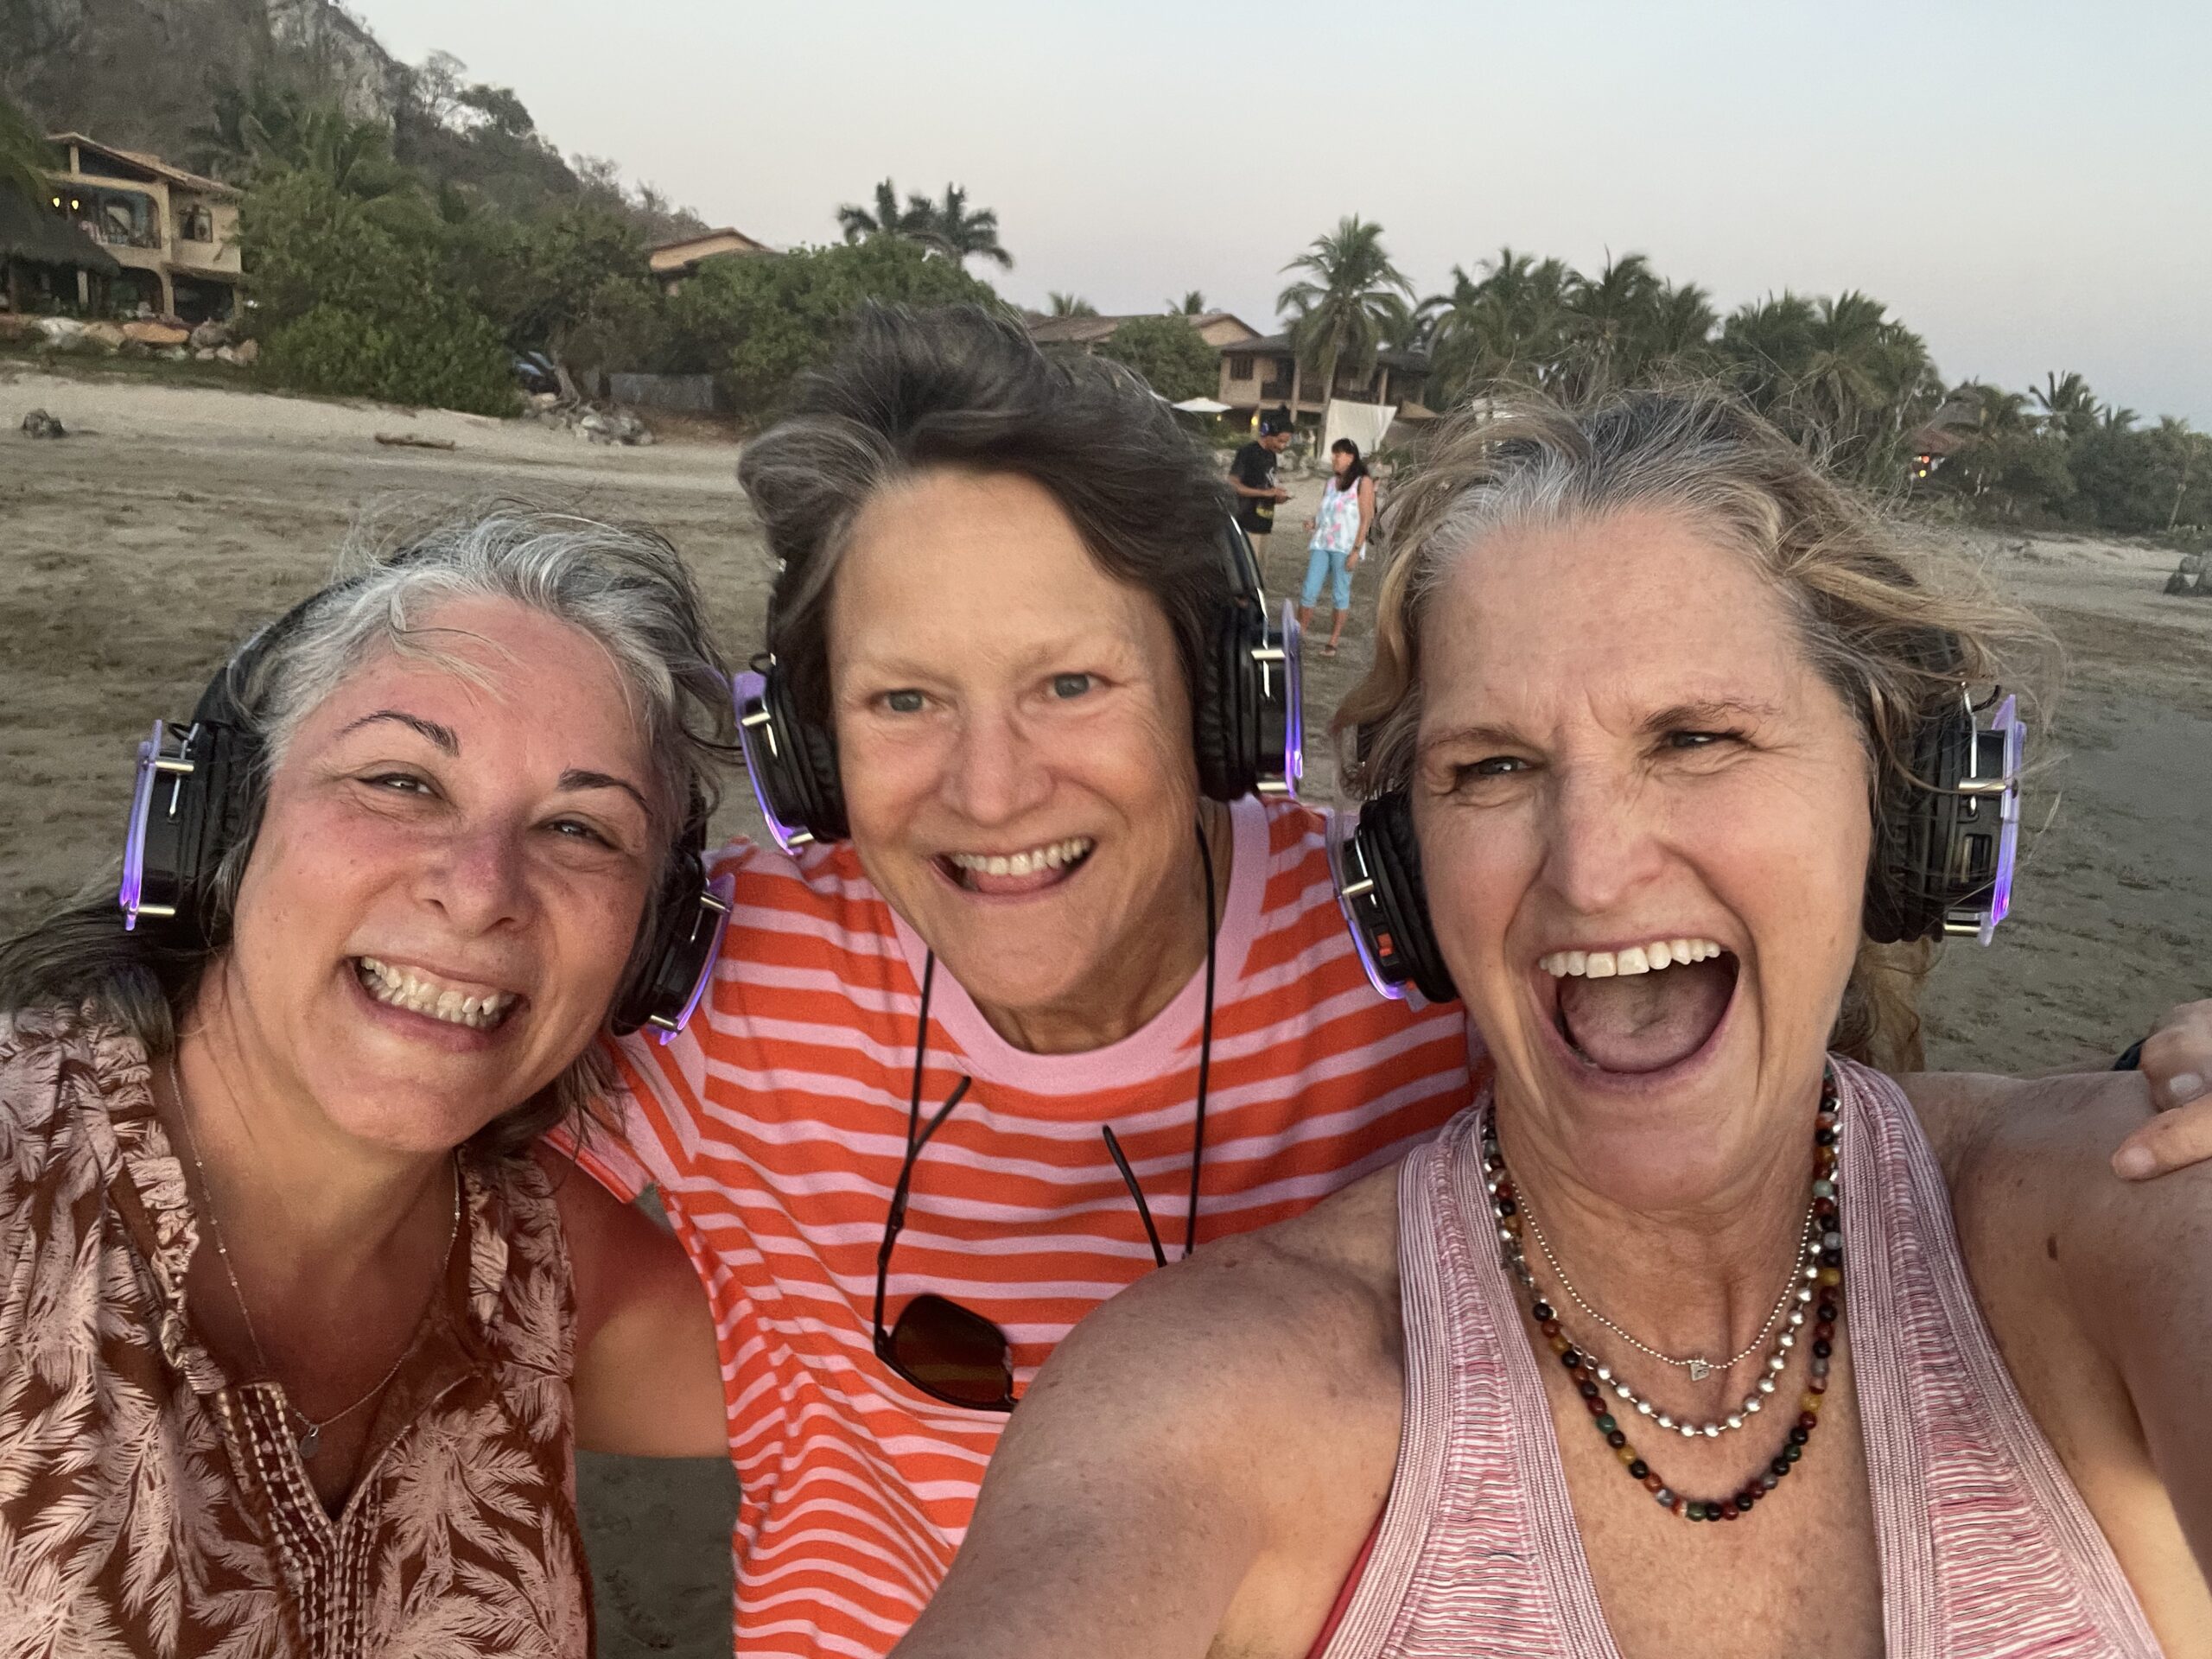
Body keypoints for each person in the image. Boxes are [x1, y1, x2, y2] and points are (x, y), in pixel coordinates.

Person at [552, 309, 2212, 1659]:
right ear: (807, 750)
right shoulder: (726, 977)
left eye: (1070, 681)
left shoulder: (2106, 1206)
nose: (1591, 867)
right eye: (904, 700)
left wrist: (2157, 1079)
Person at [0, 512, 732, 1656]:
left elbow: (931, 1384)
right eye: (400, 780)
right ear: (219, 832)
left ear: (653, 954)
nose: (481, 887)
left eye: (580, 829)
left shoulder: (538, 1268)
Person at [1301, 437, 1377, 656]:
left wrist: (1356, 550)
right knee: (1309, 589)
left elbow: (1366, 519)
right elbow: (1324, 511)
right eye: (1333, 454)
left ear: (1351, 457)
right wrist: (1313, 522)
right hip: (1322, 542)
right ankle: (1301, 634)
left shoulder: (1363, 483)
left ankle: (1333, 640)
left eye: (1339, 454)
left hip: (1345, 546)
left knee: (1340, 593)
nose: (1334, 458)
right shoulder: (1330, 483)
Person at [1230, 409, 1295, 570]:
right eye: (1280, 441)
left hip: (1264, 525)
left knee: (1259, 574)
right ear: (1268, 433)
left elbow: (1266, 485)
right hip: (1247, 523)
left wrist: (1277, 496)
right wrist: (1265, 493)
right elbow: (1233, 484)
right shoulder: (1247, 452)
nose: (1283, 446)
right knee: (1246, 573)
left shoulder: (1271, 455)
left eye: (1286, 442)